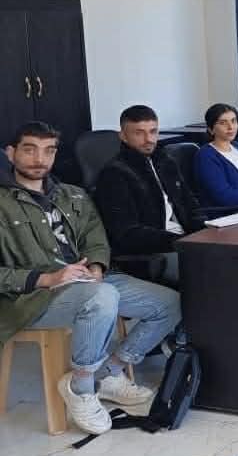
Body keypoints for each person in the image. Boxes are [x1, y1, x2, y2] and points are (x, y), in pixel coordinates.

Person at [0, 121, 181, 435]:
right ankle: (81, 387)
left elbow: (96, 239)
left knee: (169, 303)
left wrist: (96, 267)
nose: (40, 159)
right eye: (30, 150)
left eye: (48, 151)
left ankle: (109, 373)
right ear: (10, 153)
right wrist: (47, 279)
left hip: (88, 282)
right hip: (32, 297)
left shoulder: (73, 194)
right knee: (102, 297)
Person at [93, 105, 205, 286]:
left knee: (237, 256)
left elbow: (190, 204)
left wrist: (205, 231)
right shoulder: (114, 174)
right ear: (123, 136)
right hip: (155, 252)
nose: (149, 139)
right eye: (139, 133)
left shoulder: (166, 161)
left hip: (186, 241)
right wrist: (181, 242)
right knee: (214, 268)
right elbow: (127, 233)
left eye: (153, 132)